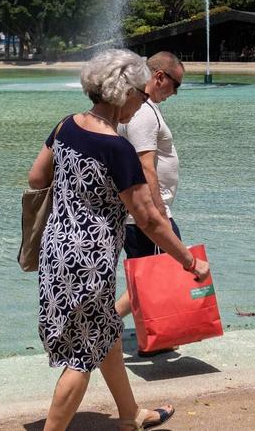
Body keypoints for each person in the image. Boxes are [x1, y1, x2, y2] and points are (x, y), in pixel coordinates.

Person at [27, 49, 209, 431]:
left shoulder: (66, 126)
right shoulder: (117, 148)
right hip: (90, 259)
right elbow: (147, 220)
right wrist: (189, 261)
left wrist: (75, 199)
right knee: (80, 359)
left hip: (55, 250)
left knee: (105, 327)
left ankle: (129, 414)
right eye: (140, 95)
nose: (141, 101)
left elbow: (36, 178)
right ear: (122, 92)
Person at [113, 53, 186, 338]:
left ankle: (150, 337)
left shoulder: (139, 108)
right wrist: (159, 216)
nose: (175, 93)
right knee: (159, 271)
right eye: (175, 84)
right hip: (147, 213)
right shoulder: (143, 113)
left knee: (146, 276)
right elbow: (147, 168)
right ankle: (106, 322)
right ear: (159, 77)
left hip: (137, 212)